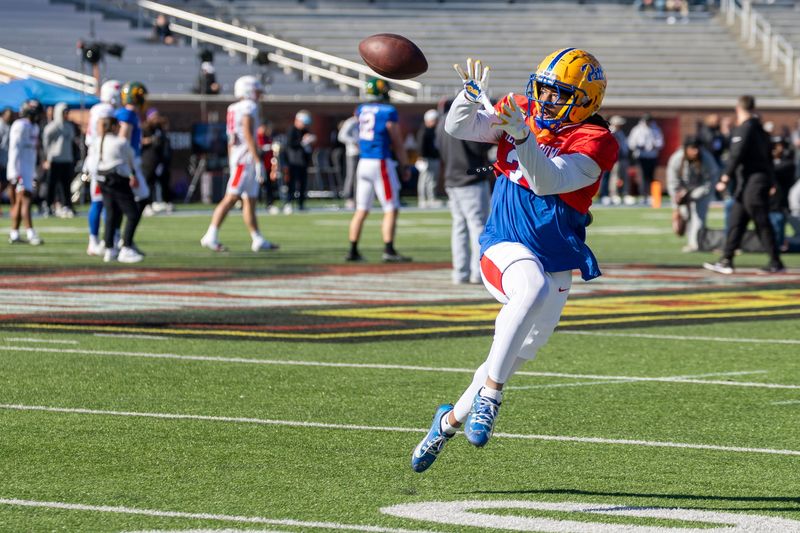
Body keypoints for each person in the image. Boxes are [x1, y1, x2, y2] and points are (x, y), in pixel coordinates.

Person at [411, 50, 618, 473]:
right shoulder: (522, 111)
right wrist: (467, 100)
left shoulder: (597, 141)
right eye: (541, 88)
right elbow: (458, 127)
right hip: (504, 241)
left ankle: (446, 423)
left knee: (511, 353)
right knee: (529, 290)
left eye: (557, 93)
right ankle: (491, 397)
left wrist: (524, 138)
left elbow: (547, 181)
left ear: (585, 101)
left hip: (556, 255)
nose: (543, 99)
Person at [703, 95, 784, 275]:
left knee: (761, 221)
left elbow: (736, 154)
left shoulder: (745, 129)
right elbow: (769, 158)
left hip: (752, 182)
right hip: (751, 182)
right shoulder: (760, 129)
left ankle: (775, 261)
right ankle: (727, 259)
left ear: (738, 109)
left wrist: (725, 177)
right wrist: (771, 180)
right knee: (736, 221)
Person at [200, 75, 279, 253]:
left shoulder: (234, 107)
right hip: (245, 159)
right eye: (256, 91)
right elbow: (247, 133)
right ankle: (210, 235)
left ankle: (257, 238)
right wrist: (258, 160)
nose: (259, 95)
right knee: (231, 198)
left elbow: (233, 139)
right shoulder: (248, 106)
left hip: (241, 158)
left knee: (249, 201)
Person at [346, 78, 412, 263]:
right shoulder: (388, 111)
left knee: (361, 209)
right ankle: (389, 249)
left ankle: (352, 249)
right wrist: (405, 164)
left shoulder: (361, 109)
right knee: (391, 208)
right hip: (380, 161)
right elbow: (397, 141)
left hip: (363, 162)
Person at [437, 100, 492, 284]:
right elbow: (477, 148)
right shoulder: (466, 121)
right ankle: (478, 272)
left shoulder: (441, 122)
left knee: (459, 226)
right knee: (478, 225)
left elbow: (440, 150)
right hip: (470, 177)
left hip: (451, 178)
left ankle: (460, 272)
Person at [88, 113, 143, 263]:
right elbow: (130, 160)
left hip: (102, 179)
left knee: (111, 214)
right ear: (113, 127)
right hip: (117, 179)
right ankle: (126, 247)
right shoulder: (120, 142)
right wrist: (132, 175)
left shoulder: (97, 141)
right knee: (132, 213)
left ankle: (109, 248)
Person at [85, 79, 121, 256]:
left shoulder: (97, 109)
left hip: (96, 158)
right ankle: (104, 240)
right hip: (102, 159)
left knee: (101, 200)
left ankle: (99, 239)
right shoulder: (105, 111)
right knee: (104, 201)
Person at [666, 135, 719, 252]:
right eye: (693, 148)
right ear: (686, 149)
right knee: (685, 215)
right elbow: (672, 182)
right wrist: (676, 206)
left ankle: (695, 244)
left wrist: (693, 194)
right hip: (682, 191)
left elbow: (711, 180)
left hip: (701, 191)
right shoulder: (676, 159)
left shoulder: (706, 158)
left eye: (698, 148)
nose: (696, 151)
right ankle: (693, 240)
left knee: (698, 217)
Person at [7, 99, 45, 246]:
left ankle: (14, 233)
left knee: (20, 202)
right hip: (20, 169)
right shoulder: (20, 126)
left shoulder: (33, 127)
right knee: (25, 201)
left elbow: (33, 151)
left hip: (28, 169)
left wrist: (35, 171)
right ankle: (30, 232)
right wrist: (14, 172)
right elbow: (14, 150)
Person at [42, 102, 77, 218]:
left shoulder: (69, 126)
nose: (66, 114)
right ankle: (48, 206)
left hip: (66, 159)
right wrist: (47, 158)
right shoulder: (52, 127)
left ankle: (67, 205)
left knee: (66, 185)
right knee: (51, 185)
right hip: (55, 160)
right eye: (64, 112)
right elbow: (45, 144)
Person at [281, 110, 314, 213]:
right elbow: (291, 144)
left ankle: (301, 204)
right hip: (293, 161)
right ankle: (288, 203)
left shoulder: (305, 131)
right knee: (291, 184)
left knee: (303, 183)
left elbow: (307, 145)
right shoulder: (292, 130)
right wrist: (302, 142)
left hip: (303, 161)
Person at [140, 107, 173, 213]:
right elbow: (140, 141)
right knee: (148, 181)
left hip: (160, 159)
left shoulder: (159, 128)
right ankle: (147, 205)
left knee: (163, 180)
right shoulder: (145, 128)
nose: (156, 118)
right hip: (148, 159)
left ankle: (163, 202)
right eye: (154, 116)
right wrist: (151, 140)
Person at [627, 112, 663, 204]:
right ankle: (643, 195)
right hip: (641, 156)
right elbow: (631, 143)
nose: (648, 123)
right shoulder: (637, 130)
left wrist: (655, 146)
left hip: (652, 156)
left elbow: (660, 142)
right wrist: (639, 146)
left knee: (650, 176)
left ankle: (651, 195)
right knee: (642, 176)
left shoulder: (655, 129)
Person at [768, 137, 795, 251]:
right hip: (766, 204)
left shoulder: (788, 164)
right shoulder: (768, 162)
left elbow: (774, 170)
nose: (776, 149)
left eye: (779, 146)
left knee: (777, 227)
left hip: (779, 204)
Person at [416, 109, 441, 208]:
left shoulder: (434, 130)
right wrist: (421, 157)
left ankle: (431, 198)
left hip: (434, 157)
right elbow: (420, 145)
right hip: (427, 159)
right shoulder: (424, 131)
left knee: (432, 180)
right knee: (425, 180)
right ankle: (423, 199)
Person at [337, 113, 359, 209]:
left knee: (360, 177)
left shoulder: (365, 121)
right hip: (352, 153)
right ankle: (349, 197)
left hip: (364, 153)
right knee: (351, 175)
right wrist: (354, 141)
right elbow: (341, 136)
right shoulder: (351, 122)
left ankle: (357, 198)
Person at [0, 107, 13, 217]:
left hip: (6, 160)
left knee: (6, 183)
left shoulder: (8, 126)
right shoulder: (0, 126)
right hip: (1, 160)